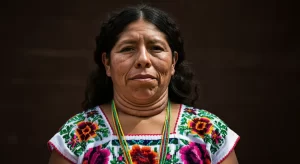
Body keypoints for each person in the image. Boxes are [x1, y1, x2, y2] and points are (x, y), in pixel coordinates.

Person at [48, 4, 240, 164]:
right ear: (107, 63)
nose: (143, 59)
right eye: (128, 48)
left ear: (173, 62)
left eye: (156, 48)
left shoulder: (209, 132)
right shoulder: (77, 136)